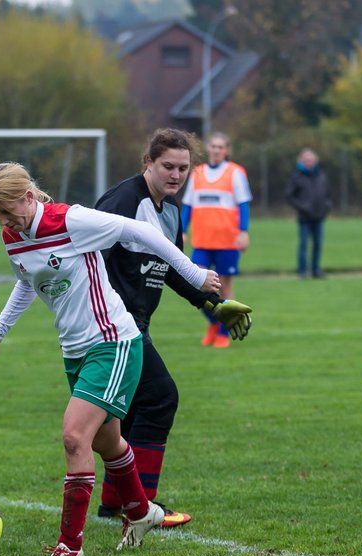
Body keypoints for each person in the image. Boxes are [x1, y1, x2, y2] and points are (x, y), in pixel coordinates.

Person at [0, 162, 221, 556]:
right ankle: (142, 512)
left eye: (8, 210)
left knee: (75, 436)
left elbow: (139, 231)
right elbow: (26, 280)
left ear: (29, 196)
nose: (6, 220)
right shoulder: (12, 236)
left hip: (114, 341)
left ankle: (70, 547)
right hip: (74, 351)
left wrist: (194, 275)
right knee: (107, 444)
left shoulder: (70, 220)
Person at [94, 128, 254, 528]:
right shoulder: (122, 201)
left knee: (128, 411)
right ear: (148, 162)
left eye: (183, 168)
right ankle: (142, 506)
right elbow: (90, 262)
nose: (176, 174)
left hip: (135, 325)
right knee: (161, 398)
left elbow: (174, 269)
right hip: (112, 325)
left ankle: (115, 503)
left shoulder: (170, 211)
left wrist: (214, 305)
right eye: (168, 166)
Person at [182, 132, 252, 347]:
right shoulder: (197, 173)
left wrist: (243, 231)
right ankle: (214, 321)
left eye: (221, 147)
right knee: (196, 287)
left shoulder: (235, 173)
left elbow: (243, 205)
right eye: (213, 146)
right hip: (202, 241)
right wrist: (182, 231)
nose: (216, 150)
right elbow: (188, 206)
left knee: (225, 289)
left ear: (227, 150)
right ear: (208, 148)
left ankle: (222, 332)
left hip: (227, 242)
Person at [283, 147, 331, 279]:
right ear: (301, 161)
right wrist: (302, 207)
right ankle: (303, 271)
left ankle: (316, 270)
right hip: (304, 217)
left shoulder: (321, 174)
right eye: (306, 160)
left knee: (318, 244)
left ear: (315, 160)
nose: (309, 162)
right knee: (303, 244)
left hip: (319, 215)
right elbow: (289, 195)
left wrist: (327, 206)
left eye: (311, 160)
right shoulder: (296, 176)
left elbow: (327, 193)